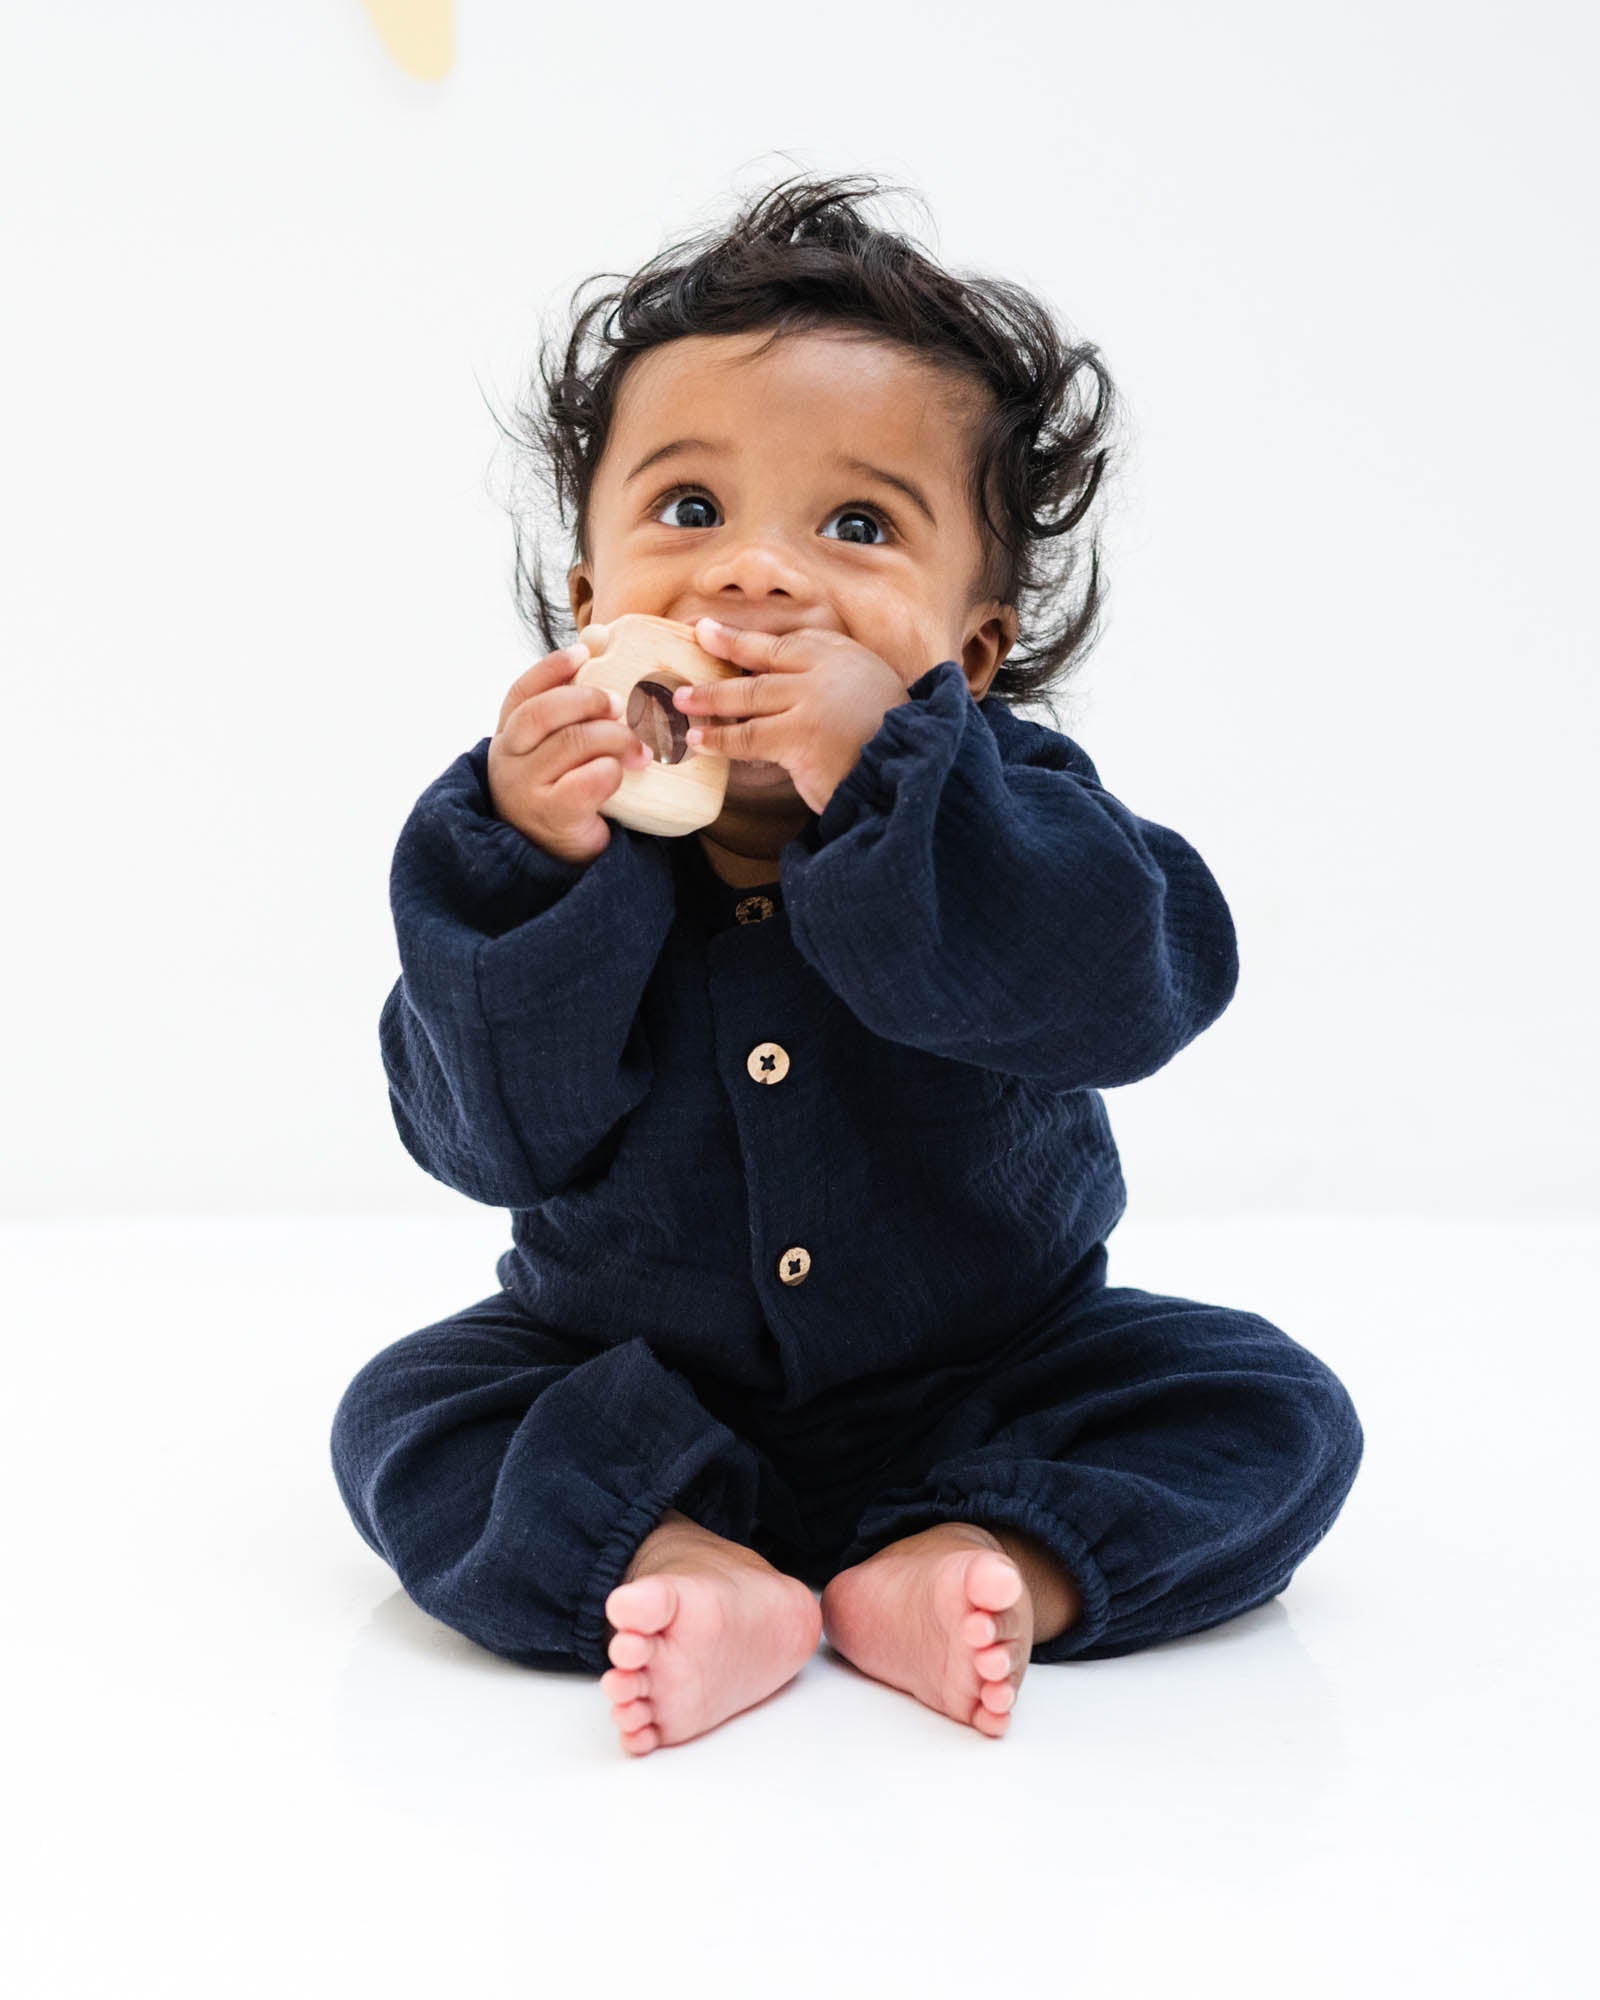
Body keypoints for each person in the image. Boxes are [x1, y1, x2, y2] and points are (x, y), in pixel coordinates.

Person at [329, 172, 1364, 1756]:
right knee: (413, 1417)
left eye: (858, 526)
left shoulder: (1007, 815)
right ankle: (677, 1558)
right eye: (691, 511)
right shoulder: (518, 846)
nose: (756, 574)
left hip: (993, 1370)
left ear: (966, 657)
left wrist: (899, 786)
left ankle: (986, 1558)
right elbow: (486, 1142)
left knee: (1264, 1408)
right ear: (589, 602)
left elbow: (1136, 990)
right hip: (629, 1381)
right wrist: (541, 869)